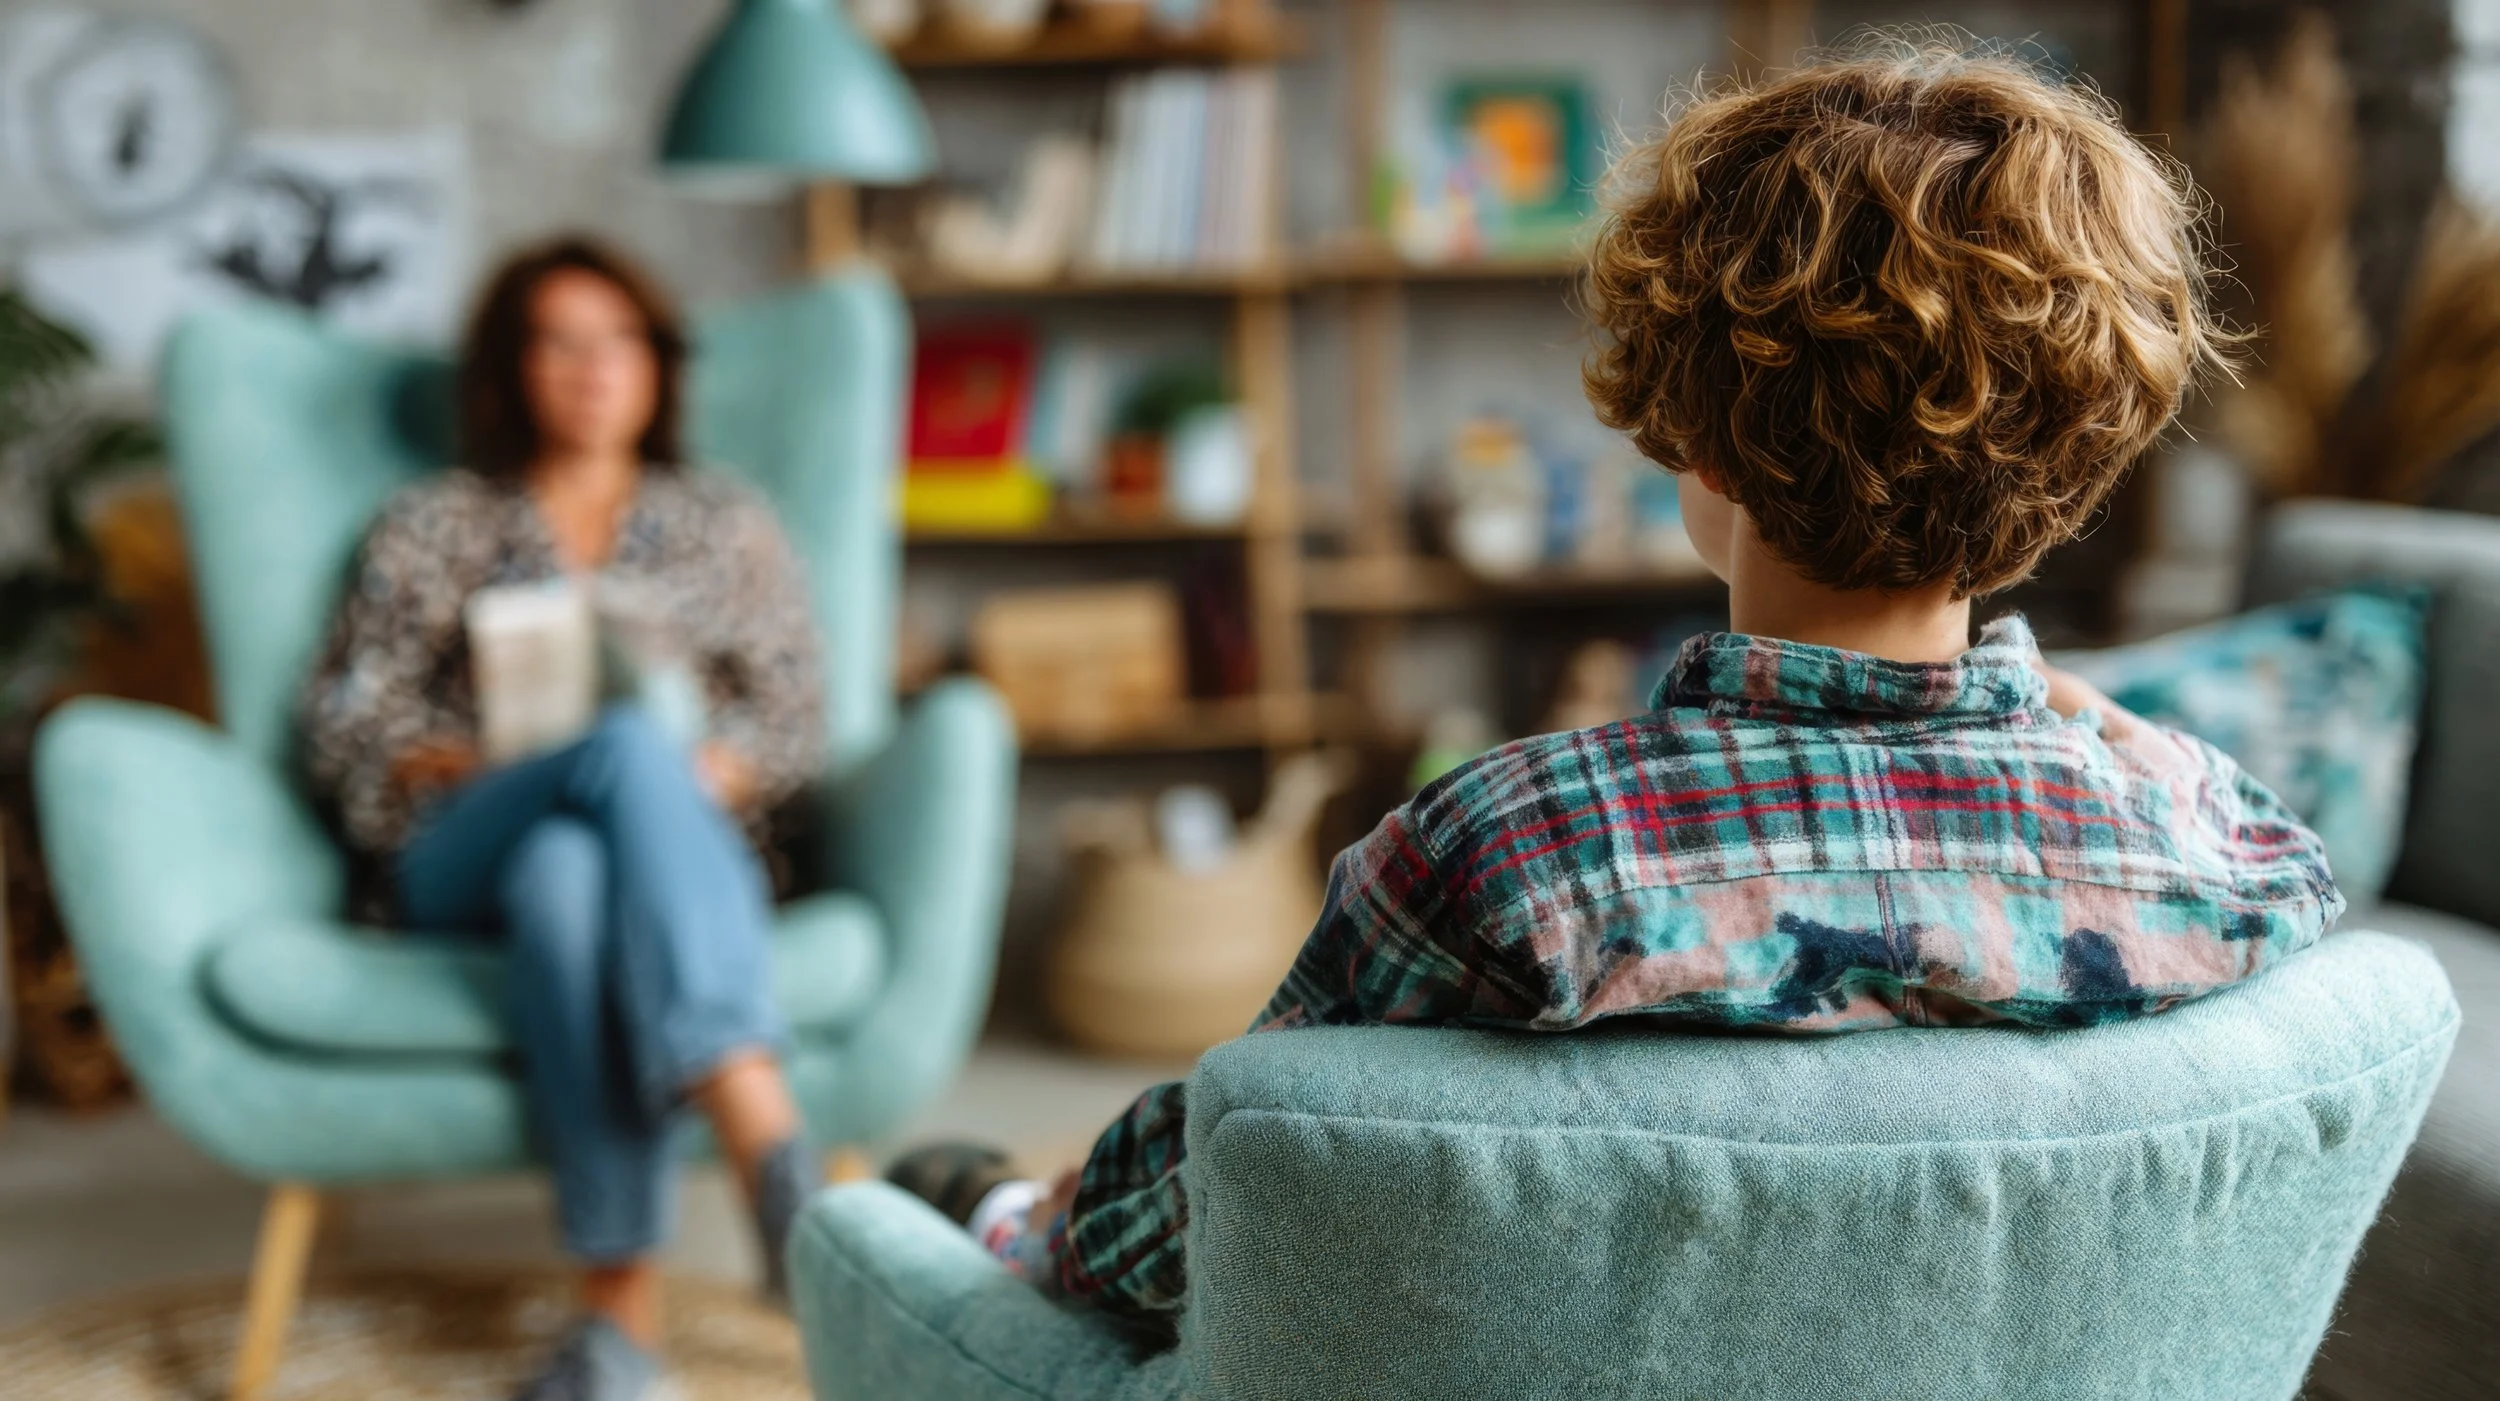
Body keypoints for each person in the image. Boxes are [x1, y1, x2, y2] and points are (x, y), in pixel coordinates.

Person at [889, 37, 2343, 1335]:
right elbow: (2302, 880)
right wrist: (2106, 734)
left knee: (959, 1196)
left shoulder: (1506, 844)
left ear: (1692, 444)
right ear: (2077, 467)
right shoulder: (2207, 839)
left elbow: (1234, 1182)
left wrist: (1045, 1227)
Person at [297, 236, 828, 1401]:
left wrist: (719, 772)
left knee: (568, 877)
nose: (594, 369)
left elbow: (794, 715)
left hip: (642, 854)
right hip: (454, 849)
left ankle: (615, 1332)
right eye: (560, 343)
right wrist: (491, 757)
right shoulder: (432, 523)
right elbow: (346, 734)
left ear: (656, 365)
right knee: (594, 777)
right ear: (511, 369)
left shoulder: (723, 524)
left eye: (620, 340)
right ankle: (759, 1124)